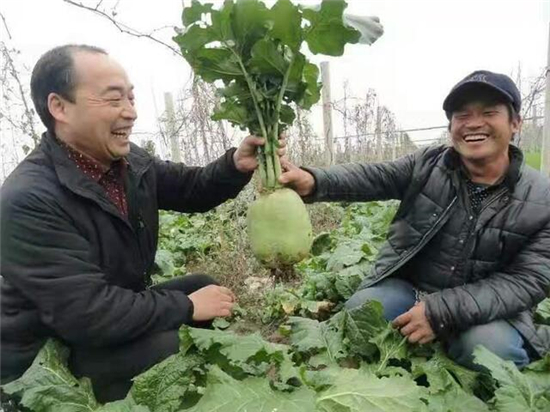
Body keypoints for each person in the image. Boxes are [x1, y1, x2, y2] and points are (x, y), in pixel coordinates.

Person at [0, 44, 282, 402]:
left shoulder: (128, 162)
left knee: (201, 286)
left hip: (105, 321)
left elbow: (190, 188)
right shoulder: (28, 198)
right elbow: (87, 313)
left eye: (131, 98)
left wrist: (235, 165)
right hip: (47, 358)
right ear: (60, 107)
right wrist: (187, 307)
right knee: (172, 350)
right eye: (114, 99)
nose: (130, 112)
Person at [280, 70, 550, 370]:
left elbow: (527, 281)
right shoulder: (428, 165)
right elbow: (374, 177)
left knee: (488, 349)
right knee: (364, 311)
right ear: (451, 126)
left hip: (489, 310)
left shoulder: (542, 197)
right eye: (462, 115)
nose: (474, 123)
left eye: (489, 113)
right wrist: (313, 181)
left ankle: (489, 348)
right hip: (414, 290)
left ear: (515, 123)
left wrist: (441, 312)